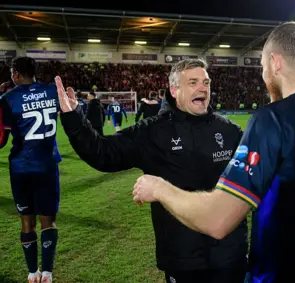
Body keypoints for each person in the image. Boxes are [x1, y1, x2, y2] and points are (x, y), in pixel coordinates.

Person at [132, 21, 295, 283]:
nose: (263, 76)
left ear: (276, 63)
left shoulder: (274, 120)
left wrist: (159, 188)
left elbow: (218, 219)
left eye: (262, 67)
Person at [55, 58, 248, 283]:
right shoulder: (153, 132)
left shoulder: (229, 131)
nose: (202, 88)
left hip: (230, 256)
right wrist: (74, 119)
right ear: (174, 90)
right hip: (182, 260)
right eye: (193, 82)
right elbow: (103, 153)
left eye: (206, 82)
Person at [0, 56, 61, 283]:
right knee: (48, 220)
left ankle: (32, 273)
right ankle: (47, 273)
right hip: (47, 165)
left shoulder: (8, 98)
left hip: (21, 168)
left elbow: (1, 139)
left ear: (15, 73)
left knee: (27, 221)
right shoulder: (52, 91)